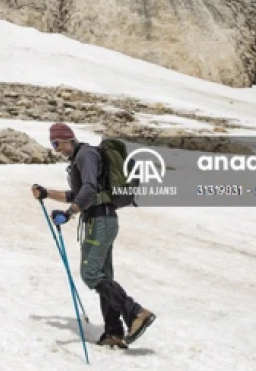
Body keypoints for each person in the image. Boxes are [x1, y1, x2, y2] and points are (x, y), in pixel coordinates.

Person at [31, 122, 156, 348]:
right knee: (102, 276)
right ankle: (114, 332)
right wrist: (47, 193)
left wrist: (70, 213)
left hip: (100, 221)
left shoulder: (85, 155)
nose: (55, 148)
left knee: (90, 273)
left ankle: (136, 313)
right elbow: (77, 194)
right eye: (53, 144)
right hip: (101, 220)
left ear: (68, 138)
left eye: (56, 143)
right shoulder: (81, 158)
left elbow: (88, 189)